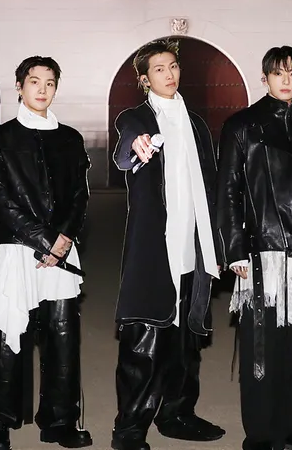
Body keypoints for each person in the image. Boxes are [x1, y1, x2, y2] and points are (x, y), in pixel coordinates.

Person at [216, 46, 292, 450]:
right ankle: (261, 434)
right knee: (262, 349)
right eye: (278, 73)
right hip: (262, 252)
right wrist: (235, 248)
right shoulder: (242, 126)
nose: (285, 80)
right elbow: (228, 191)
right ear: (265, 77)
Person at [109, 39, 226, 450]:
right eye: (159, 69)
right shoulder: (136, 118)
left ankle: (177, 414)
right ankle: (129, 430)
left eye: (173, 66)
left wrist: (220, 242)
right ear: (145, 79)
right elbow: (125, 149)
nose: (169, 74)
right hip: (154, 249)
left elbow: (211, 183)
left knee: (186, 340)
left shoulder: (195, 124)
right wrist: (135, 146)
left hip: (194, 245)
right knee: (143, 341)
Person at [0, 56, 93, 450]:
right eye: (34, 81)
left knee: (63, 337)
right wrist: (45, 240)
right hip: (17, 247)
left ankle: (59, 421)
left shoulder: (70, 138)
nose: (42, 89)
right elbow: (0, 197)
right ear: (19, 86)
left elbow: (80, 195)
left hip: (63, 250)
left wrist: (64, 240)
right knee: (9, 336)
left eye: (49, 82)